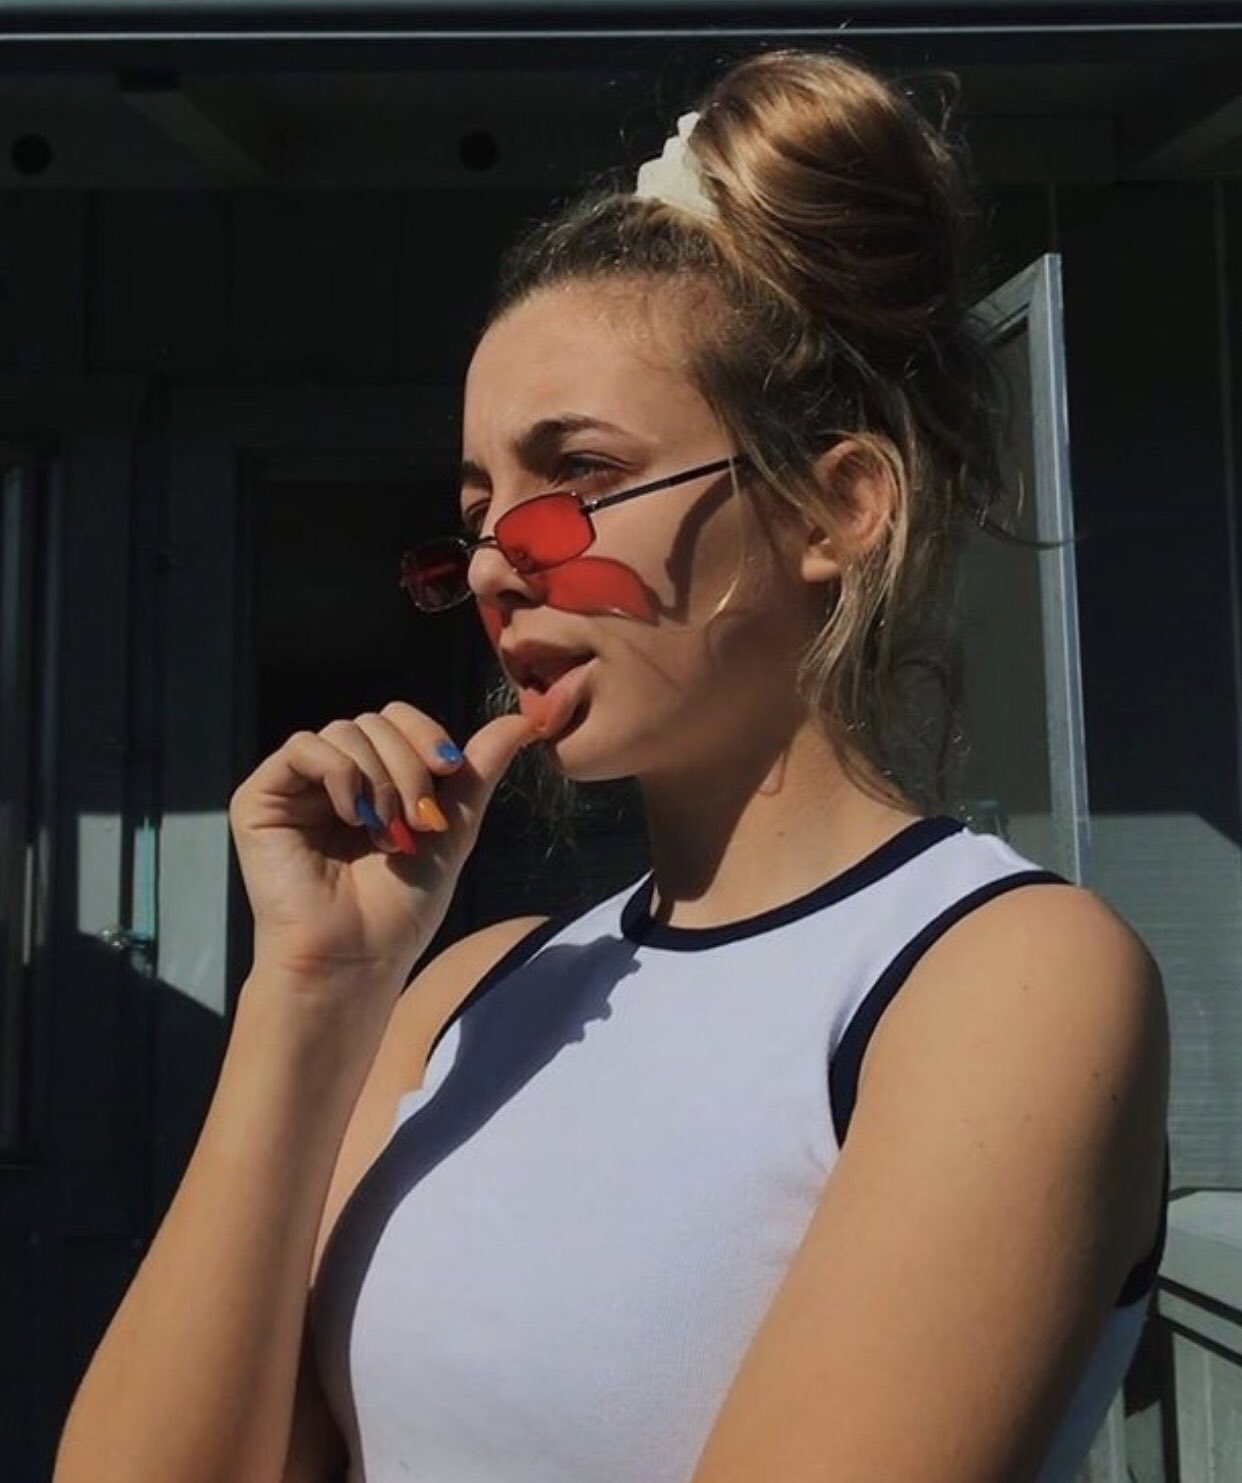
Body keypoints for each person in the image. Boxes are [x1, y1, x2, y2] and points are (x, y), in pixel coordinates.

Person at [54, 46, 1169, 1483]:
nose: (493, 565)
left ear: (834, 510)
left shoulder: (994, 979)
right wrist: (311, 993)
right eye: (476, 510)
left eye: (575, 474)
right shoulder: (464, 991)